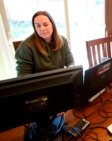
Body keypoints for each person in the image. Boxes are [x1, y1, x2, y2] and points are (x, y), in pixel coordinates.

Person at [15, 11, 75, 140]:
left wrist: (68, 82)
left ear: (52, 24)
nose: (42, 29)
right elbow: (22, 78)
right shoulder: (27, 46)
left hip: (58, 91)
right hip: (38, 96)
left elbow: (70, 63)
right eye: (37, 25)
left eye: (45, 24)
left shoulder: (62, 40)